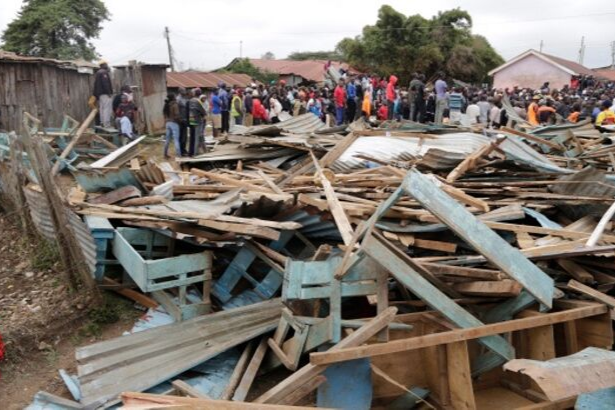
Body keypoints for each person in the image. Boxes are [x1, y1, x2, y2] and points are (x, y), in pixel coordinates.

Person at [93, 60, 113, 127]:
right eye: (106, 64)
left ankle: (102, 122)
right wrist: (109, 93)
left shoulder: (98, 72)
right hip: (105, 93)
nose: (107, 65)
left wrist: (96, 95)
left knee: (102, 108)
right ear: (103, 65)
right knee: (107, 108)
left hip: (100, 94)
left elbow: (95, 85)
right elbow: (105, 84)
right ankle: (106, 123)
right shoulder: (103, 72)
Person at [162, 93, 181, 159]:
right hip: (174, 123)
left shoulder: (166, 104)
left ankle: (165, 154)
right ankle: (179, 156)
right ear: (173, 98)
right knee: (176, 140)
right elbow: (177, 115)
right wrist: (179, 121)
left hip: (168, 123)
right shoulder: (174, 104)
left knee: (167, 140)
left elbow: (164, 114)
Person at [188, 88, 206, 156]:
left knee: (199, 135)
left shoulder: (190, 100)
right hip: (198, 120)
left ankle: (204, 149)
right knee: (198, 136)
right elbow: (203, 111)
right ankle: (196, 153)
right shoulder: (198, 101)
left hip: (192, 119)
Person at [177, 87, 189, 156]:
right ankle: (182, 151)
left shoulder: (184, 98)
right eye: (184, 90)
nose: (185, 91)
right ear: (180, 91)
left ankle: (183, 150)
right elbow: (177, 110)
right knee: (182, 136)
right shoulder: (178, 99)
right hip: (181, 120)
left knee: (184, 136)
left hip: (184, 119)